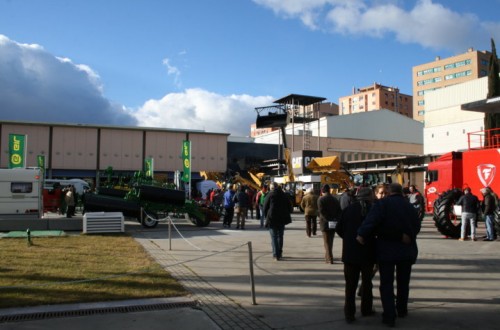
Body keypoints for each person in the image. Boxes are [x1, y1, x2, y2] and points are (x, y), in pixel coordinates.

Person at [357, 183, 421, 327]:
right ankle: (402, 309)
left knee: (386, 284)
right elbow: (416, 226)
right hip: (407, 250)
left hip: (387, 250)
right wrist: (406, 236)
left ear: (390, 192)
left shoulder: (382, 205)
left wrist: (361, 234)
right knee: (403, 282)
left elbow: (371, 222)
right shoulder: (409, 206)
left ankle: (389, 316)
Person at [336, 187, 376, 323]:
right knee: (367, 283)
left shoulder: (348, 210)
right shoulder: (374, 209)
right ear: (369, 196)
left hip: (350, 254)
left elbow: (339, 228)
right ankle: (366, 309)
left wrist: (348, 239)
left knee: (350, 286)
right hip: (368, 253)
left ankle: (349, 314)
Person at [263, 182, 292, 261]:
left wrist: (267, 216)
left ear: (272, 188)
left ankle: (276, 255)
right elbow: (290, 207)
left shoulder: (270, 195)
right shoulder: (284, 195)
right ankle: (280, 253)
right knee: (280, 236)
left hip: (272, 218)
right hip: (282, 218)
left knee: (274, 237)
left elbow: (265, 207)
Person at [317, 184, 342, 264]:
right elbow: (339, 211)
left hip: (325, 223)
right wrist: (334, 219)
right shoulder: (335, 199)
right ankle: (327, 256)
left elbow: (321, 211)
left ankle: (330, 258)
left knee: (326, 241)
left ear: (322, 191)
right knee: (331, 240)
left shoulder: (321, 199)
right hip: (334, 222)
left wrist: (328, 219)